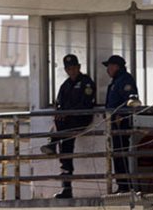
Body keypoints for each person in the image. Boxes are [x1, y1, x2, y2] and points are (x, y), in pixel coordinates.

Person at [41, 54, 95, 199]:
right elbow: (59, 104)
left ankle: (52, 142)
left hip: (80, 119)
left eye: (74, 68)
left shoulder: (86, 83)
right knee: (65, 146)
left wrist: (68, 113)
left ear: (79, 67)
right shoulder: (65, 85)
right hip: (66, 123)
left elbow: (86, 103)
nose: (72, 71)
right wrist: (60, 113)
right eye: (69, 69)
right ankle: (66, 187)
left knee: (65, 141)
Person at [102, 54, 139, 193]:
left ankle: (125, 186)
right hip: (114, 123)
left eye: (110, 66)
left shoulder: (125, 80)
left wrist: (120, 115)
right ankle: (122, 184)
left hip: (121, 123)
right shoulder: (116, 81)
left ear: (117, 66)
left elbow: (130, 102)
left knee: (121, 153)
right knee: (117, 154)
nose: (108, 70)